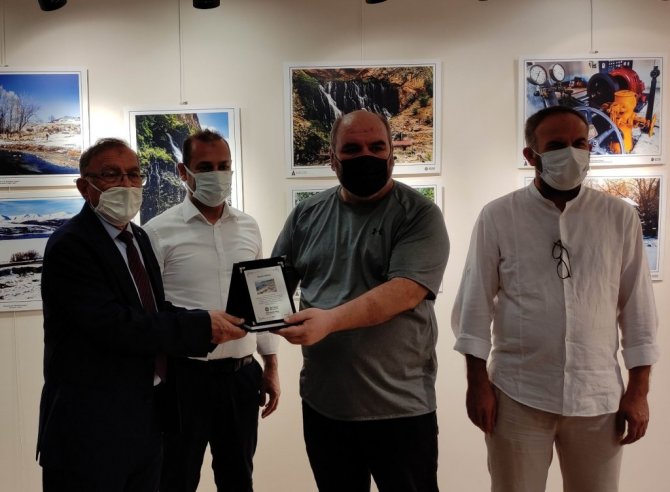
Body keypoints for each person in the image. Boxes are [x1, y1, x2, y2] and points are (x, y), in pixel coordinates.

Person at [451, 105, 660, 492]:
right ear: (531, 155)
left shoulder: (618, 217)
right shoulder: (499, 216)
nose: (572, 153)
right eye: (557, 145)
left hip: (597, 397)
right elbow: (474, 305)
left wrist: (639, 391)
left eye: (580, 143)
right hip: (517, 394)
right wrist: (477, 385)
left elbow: (638, 311)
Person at [36, 138, 247, 492]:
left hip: (144, 424)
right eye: (111, 174)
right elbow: (115, 325)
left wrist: (210, 321)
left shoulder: (137, 238)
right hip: (89, 430)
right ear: (84, 187)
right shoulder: (70, 244)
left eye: (134, 174)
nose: (127, 184)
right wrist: (200, 326)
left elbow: (153, 309)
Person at [272, 109, 449, 492]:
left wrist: (329, 321)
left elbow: (405, 291)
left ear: (391, 156)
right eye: (352, 149)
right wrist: (246, 315)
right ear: (332, 159)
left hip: (400, 410)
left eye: (376, 147)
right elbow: (273, 284)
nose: (365, 156)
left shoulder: (419, 215)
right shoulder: (306, 215)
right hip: (324, 406)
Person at [143, 129, 280, 492]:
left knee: (239, 479)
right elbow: (151, 313)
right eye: (205, 167)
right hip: (183, 380)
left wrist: (271, 365)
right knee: (175, 479)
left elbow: (262, 299)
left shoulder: (249, 227)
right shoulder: (157, 232)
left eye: (224, 166)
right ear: (183, 171)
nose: (217, 175)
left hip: (241, 376)